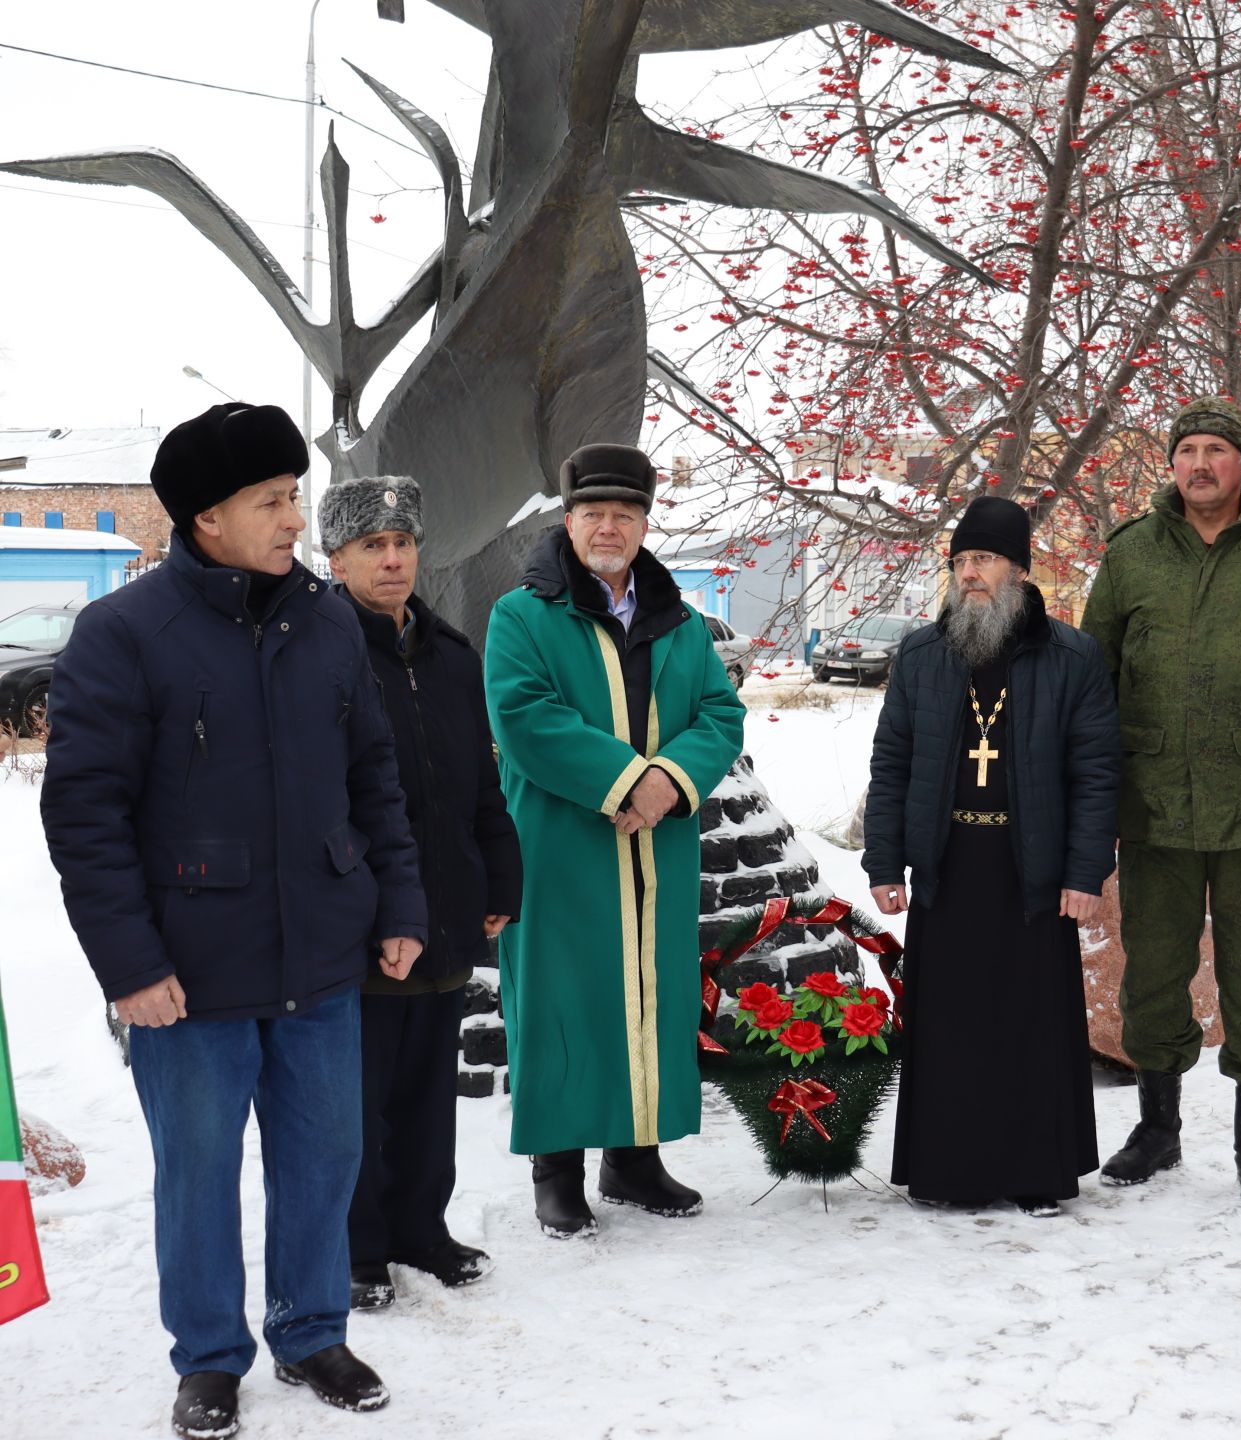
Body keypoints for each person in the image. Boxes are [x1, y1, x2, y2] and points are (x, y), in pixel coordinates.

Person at [41, 402, 427, 1438]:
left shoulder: (328, 618)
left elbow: (373, 777)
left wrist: (396, 900)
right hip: (189, 974)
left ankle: (311, 1334)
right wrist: (128, 965)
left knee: (323, 1159)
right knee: (199, 1175)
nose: (294, 518)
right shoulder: (124, 635)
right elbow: (83, 814)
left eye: (294, 495)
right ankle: (209, 1357)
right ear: (205, 518)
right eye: (272, 500)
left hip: (322, 956)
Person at [1079, 396, 1241, 1209]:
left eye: (1216, 451)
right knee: (1152, 973)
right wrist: (1092, 805)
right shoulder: (1131, 554)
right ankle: (1158, 1131)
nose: (1200, 464)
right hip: (1152, 808)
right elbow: (1092, 682)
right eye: (1187, 450)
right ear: (1171, 464)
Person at [484, 442, 745, 1238]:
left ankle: (633, 1160)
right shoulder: (522, 613)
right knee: (561, 1000)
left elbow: (720, 714)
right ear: (568, 523)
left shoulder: (680, 622)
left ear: (642, 526)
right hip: (562, 846)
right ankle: (556, 1168)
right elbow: (525, 717)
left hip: (656, 849)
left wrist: (669, 780)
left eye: (623, 515)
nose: (608, 526)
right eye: (593, 513)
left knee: (649, 999)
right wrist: (629, 779)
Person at [865, 496, 1120, 1215]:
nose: (968, 575)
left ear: (1019, 570)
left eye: (983, 560)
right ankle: (951, 1173)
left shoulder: (1071, 657)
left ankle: (1036, 1172)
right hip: (948, 869)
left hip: (1030, 871)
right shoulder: (922, 654)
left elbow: (1096, 772)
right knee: (952, 1030)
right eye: (960, 562)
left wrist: (1082, 870)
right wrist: (885, 863)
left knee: (1029, 1026)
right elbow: (892, 765)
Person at [320, 476, 523, 1311]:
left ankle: (420, 1229)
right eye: (374, 545)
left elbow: (481, 778)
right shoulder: (320, 652)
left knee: (427, 1089)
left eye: (404, 544)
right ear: (335, 558)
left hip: (445, 903)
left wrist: (499, 871)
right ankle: (360, 1246)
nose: (394, 560)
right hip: (362, 915)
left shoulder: (449, 655)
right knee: (359, 1099)